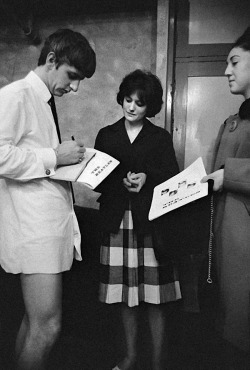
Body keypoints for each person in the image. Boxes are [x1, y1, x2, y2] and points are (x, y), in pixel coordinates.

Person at [0, 28, 96, 369]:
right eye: (72, 76)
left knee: (34, 323)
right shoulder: (17, 94)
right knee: (47, 327)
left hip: (46, 230)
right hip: (34, 232)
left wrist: (68, 162)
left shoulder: (41, 100)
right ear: (51, 60)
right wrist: (55, 157)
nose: (75, 87)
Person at [94, 69, 181, 370]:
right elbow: (96, 179)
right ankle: (130, 357)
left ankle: (158, 363)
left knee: (155, 296)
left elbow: (172, 178)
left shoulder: (160, 137)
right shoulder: (107, 134)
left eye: (139, 103)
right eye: (127, 100)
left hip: (152, 224)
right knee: (124, 295)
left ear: (150, 106)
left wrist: (148, 178)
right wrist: (120, 182)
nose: (131, 107)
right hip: (116, 222)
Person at [201, 27, 250, 356]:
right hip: (225, 236)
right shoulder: (232, 120)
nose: (226, 71)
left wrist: (226, 175)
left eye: (234, 62)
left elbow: (222, 174)